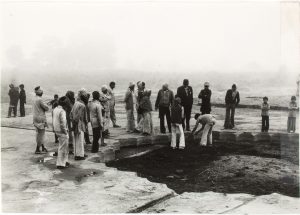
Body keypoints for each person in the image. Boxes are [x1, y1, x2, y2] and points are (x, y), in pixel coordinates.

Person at [70, 89, 89, 160]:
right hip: (80, 125)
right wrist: (86, 124)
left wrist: (73, 123)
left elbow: (71, 114)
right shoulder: (82, 105)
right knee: (80, 140)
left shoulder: (75, 103)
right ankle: (80, 155)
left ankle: (77, 154)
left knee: (76, 140)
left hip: (75, 124)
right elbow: (83, 117)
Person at [53, 96, 70, 169]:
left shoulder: (55, 109)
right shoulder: (62, 111)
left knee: (62, 146)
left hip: (57, 130)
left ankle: (64, 161)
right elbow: (63, 123)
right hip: (62, 131)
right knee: (63, 147)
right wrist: (65, 131)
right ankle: (60, 163)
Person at [32, 86, 49, 154]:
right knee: (41, 134)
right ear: (40, 93)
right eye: (42, 92)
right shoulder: (40, 99)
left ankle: (43, 147)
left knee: (39, 133)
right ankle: (37, 149)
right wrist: (47, 105)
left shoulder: (34, 99)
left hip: (35, 117)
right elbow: (46, 108)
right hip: (40, 118)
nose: (42, 93)